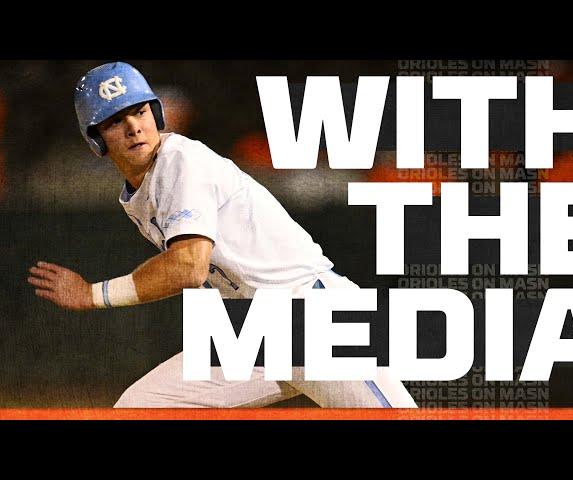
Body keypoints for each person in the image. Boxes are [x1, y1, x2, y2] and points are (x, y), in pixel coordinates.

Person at [27, 62, 417, 408]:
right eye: (115, 120)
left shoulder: (181, 160)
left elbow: (187, 267)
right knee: (142, 406)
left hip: (311, 319)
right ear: (96, 139)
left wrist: (93, 295)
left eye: (140, 111)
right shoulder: (137, 193)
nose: (134, 127)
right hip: (250, 332)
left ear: (156, 114)